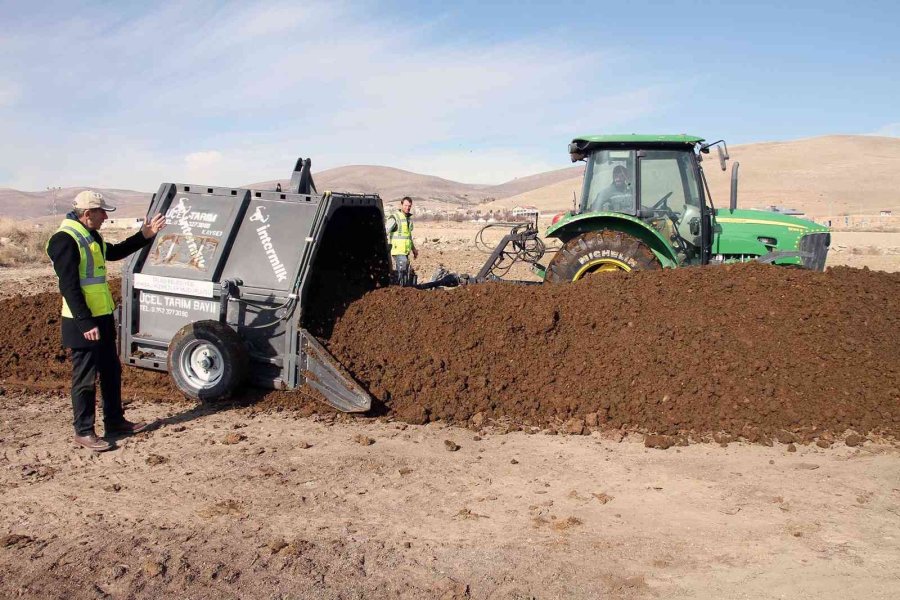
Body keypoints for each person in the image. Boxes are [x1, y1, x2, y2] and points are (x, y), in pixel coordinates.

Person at [46, 191, 166, 452]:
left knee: (111, 372)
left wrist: (144, 236)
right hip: (82, 323)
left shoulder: (91, 236)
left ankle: (115, 421)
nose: (105, 217)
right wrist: (85, 322)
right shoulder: (64, 240)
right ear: (88, 214)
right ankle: (84, 431)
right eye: (102, 212)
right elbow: (69, 286)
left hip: (101, 316)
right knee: (85, 378)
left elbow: (113, 253)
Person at [385, 196, 418, 285]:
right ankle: (399, 289)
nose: (407, 208)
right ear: (401, 204)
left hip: (405, 251)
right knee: (403, 268)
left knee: (405, 271)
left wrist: (414, 249)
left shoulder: (408, 219)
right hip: (397, 250)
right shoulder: (395, 217)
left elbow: (408, 236)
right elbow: (385, 232)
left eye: (409, 206)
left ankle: (404, 289)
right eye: (406, 205)